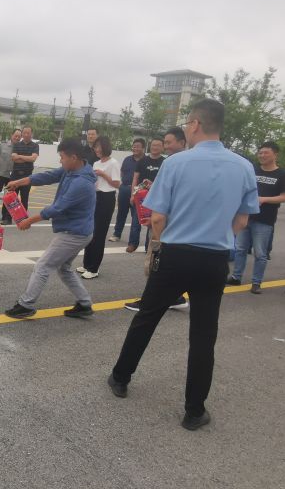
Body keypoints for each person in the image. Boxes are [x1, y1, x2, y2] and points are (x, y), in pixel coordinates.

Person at [107, 98, 259, 431]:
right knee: (204, 335)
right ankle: (194, 411)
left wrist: (158, 246)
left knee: (147, 317)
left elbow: (157, 217)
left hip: (175, 254)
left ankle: (120, 377)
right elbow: (242, 220)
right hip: (215, 258)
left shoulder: (176, 163)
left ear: (195, 124)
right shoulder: (244, 166)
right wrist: (218, 235)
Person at [4, 138, 96, 319]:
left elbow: (56, 209)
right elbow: (47, 176)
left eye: (62, 157)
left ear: (74, 157)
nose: (60, 161)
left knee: (43, 265)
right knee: (64, 268)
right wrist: (19, 182)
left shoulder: (82, 183)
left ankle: (26, 305)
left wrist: (29, 221)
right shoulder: (71, 170)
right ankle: (84, 304)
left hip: (74, 233)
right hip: (78, 231)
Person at [125, 127, 189, 311]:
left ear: (182, 142)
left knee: (154, 260)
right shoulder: (185, 163)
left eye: (168, 143)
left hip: (165, 222)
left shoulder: (171, 163)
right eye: (164, 143)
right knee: (168, 261)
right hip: (178, 223)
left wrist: (155, 222)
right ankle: (175, 297)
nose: (165, 146)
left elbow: (165, 196)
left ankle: (149, 301)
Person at [227, 141, 285, 293]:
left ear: (275, 154)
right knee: (240, 249)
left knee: (260, 253)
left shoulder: (282, 174)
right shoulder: (252, 170)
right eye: (260, 153)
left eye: (266, 152)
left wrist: (264, 199)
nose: (262, 155)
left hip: (264, 220)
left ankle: (256, 282)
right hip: (245, 216)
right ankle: (236, 277)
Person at [77, 136, 120, 279]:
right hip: (94, 197)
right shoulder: (96, 163)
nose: (96, 149)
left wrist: (103, 174)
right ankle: (86, 264)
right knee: (89, 232)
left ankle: (94, 268)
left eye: (98, 147)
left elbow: (116, 184)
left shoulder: (113, 163)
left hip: (106, 198)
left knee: (99, 234)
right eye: (95, 147)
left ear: (105, 147)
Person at [127, 137, 165, 253]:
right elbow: (135, 178)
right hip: (140, 196)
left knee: (153, 222)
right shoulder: (142, 161)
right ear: (150, 146)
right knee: (136, 220)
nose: (155, 147)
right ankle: (132, 243)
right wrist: (132, 195)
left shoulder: (165, 162)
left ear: (162, 147)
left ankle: (148, 247)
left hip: (156, 197)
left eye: (158, 145)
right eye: (153, 145)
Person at [109, 138, 145, 243]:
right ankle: (117, 234)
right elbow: (122, 172)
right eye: (134, 146)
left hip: (139, 191)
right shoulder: (127, 159)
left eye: (138, 147)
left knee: (136, 216)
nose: (135, 148)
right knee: (121, 213)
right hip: (124, 189)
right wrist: (122, 185)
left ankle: (133, 241)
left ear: (143, 148)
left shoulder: (146, 161)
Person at [6, 126, 39, 224]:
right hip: (15, 175)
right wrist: (27, 158)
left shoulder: (35, 146)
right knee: (11, 197)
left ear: (31, 134)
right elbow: (13, 158)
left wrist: (19, 156)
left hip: (27, 176)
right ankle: (8, 219)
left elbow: (33, 159)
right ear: (22, 134)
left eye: (28, 133)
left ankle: (23, 220)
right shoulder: (17, 144)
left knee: (24, 198)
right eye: (24, 133)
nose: (26, 135)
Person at [0, 128, 21, 221]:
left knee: (8, 197)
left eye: (19, 137)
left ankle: (4, 215)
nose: (17, 138)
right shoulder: (3, 144)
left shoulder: (20, 148)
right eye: (15, 136)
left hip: (11, 177)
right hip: (0, 174)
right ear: (12, 135)